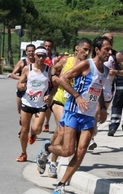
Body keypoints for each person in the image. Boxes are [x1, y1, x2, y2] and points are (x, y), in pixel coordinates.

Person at [36, 36, 111, 194]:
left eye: (110, 49)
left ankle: (61, 185)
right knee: (68, 150)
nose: (109, 52)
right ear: (97, 50)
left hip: (89, 115)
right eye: (106, 49)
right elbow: (63, 78)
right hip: (73, 111)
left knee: (81, 151)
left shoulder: (104, 70)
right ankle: (47, 148)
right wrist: (76, 96)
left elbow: (98, 90)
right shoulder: (86, 65)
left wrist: (103, 108)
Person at [46, 38, 92, 178]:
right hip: (61, 99)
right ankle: (53, 163)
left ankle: (47, 151)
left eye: (89, 51)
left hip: (74, 105)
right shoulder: (67, 60)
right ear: (77, 48)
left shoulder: (87, 66)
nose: (87, 53)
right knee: (61, 132)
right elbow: (53, 69)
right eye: (85, 49)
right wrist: (54, 76)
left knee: (60, 135)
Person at [89, 32, 123, 149]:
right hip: (95, 88)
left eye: (110, 39)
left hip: (107, 89)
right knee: (95, 111)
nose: (108, 40)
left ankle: (91, 132)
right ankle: (90, 138)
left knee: (100, 115)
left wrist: (115, 72)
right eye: (106, 39)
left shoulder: (117, 55)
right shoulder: (96, 54)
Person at [15, 46, 53, 162]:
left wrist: (50, 95)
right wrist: (20, 85)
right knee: (24, 130)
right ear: (34, 56)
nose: (41, 58)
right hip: (27, 102)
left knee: (37, 129)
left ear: (46, 57)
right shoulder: (28, 68)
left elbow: (54, 85)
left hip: (40, 104)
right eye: (39, 55)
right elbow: (20, 82)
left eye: (43, 56)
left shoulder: (49, 70)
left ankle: (34, 133)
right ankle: (23, 153)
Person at [10, 44, 36, 134]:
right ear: (26, 52)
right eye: (29, 51)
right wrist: (21, 79)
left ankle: (25, 130)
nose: (31, 53)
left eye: (32, 51)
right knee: (19, 110)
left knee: (33, 111)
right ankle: (23, 122)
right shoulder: (22, 62)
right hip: (22, 89)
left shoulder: (38, 63)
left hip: (34, 91)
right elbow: (12, 74)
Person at [43, 39, 58, 132]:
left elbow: (57, 70)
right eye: (46, 46)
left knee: (47, 104)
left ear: (52, 47)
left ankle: (46, 122)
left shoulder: (54, 58)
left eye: (49, 46)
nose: (47, 48)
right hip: (40, 83)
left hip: (50, 83)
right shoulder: (39, 56)